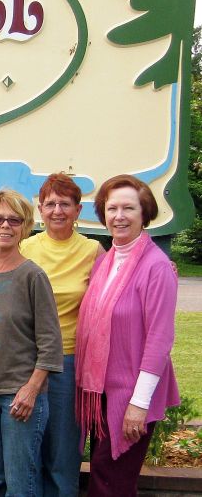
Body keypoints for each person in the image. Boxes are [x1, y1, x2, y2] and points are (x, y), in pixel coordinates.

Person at [75, 174, 179, 496]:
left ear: (144, 212)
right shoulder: (105, 261)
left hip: (133, 396)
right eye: (111, 208)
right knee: (109, 478)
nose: (119, 216)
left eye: (128, 208)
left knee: (110, 481)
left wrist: (139, 404)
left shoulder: (156, 267)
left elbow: (159, 341)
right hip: (101, 391)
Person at [0, 189, 63, 497]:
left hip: (19, 398)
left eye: (14, 220)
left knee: (21, 483)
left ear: (25, 226)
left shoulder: (33, 277)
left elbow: (50, 342)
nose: (5, 226)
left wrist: (31, 389)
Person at [19, 173, 103, 496]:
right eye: (50, 204)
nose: (57, 210)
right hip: (27, 360)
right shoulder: (26, 247)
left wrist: (164, 268)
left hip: (69, 361)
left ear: (78, 210)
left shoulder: (93, 251)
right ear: (40, 209)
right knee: (28, 450)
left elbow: (119, 285)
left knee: (63, 452)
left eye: (64, 204)